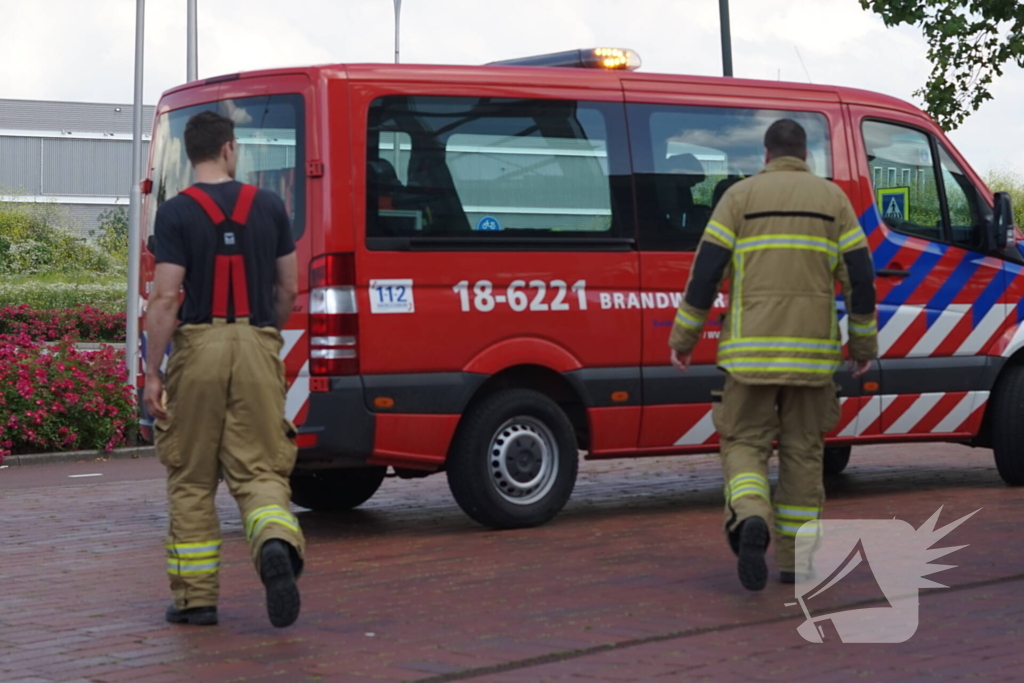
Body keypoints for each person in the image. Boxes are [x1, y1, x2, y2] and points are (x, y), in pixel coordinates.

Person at [668, 119, 878, 591]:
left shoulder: (738, 199)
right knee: (804, 455)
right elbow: (861, 278)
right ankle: (796, 564)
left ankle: (749, 517)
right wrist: (862, 345)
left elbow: (705, 274)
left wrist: (683, 339)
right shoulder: (834, 201)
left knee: (744, 445)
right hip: (812, 360)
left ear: (766, 155)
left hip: (748, 359)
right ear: (805, 155)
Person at [143, 110, 304, 627]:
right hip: (257, 346)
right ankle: (275, 542)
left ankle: (196, 601)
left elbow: (166, 297)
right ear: (230, 149)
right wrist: (263, 335)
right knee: (260, 468)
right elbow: (288, 290)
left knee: (191, 478)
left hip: (199, 347)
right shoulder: (271, 206)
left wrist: (152, 372)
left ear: (192, 154)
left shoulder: (175, 213)